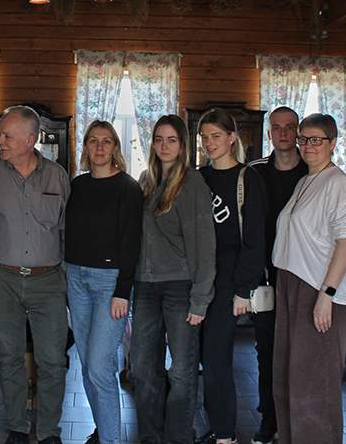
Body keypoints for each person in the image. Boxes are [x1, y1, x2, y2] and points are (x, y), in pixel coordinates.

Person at [0, 106, 71, 444]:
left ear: (30, 140)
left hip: (49, 281)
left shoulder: (58, 176)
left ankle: (48, 432)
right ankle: (17, 428)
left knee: (53, 361)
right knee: (9, 359)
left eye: (7, 136)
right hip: (1, 279)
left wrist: (66, 281)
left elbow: (66, 232)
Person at [272, 113, 346, 444]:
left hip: (319, 291)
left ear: (333, 143)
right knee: (287, 380)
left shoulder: (339, 184)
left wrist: (327, 294)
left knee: (313, 386)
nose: (308, 145)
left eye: (317, 140)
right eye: (304, 139)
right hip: (293, 285)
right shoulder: (307, 181)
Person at [130, 114, 215, 444]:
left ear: (183, 145)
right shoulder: (145, 181)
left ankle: (178, 437)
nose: (164, 146)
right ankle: (150, 436)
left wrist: (200, 298)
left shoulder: (192, 184)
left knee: (181, 371)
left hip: (181, 287)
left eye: (172, 140)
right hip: (145, 286)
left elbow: (204, 244)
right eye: (159, 139)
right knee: (142, 368)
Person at [64, 121, 143, 444]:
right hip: (76, 278)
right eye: (93, 141)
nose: (99, 148)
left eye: (106, 141)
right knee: (87, 366)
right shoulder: (78, 185)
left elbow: (132, 242)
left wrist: (123, 290)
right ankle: (103, 430)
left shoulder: (128, 187)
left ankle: (111, 439)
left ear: (115, 148)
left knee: (100, 367)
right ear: (85, 146)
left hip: (110, 283)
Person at [194, 109, 268, 444]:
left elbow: (255, 238)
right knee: (203, 356)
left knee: (216, 357)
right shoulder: (198, 178)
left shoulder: (247, 178)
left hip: (229, 281)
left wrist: (243, 289)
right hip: (200, 279)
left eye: (216, 136)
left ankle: (225, 434)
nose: (209, 143)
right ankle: (216, 426)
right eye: (204, 137)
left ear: (232, 138)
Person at [247, 106, 307, 444]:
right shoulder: (255, 172)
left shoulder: (314, 171)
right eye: (277, 128)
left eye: (290, 127)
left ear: (298, 132)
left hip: (304, 277)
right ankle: (269, 418)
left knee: (301, 352)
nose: (283, 133)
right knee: (267, 351)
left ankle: (298, 417)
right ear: (269, 132)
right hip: (266, 278)